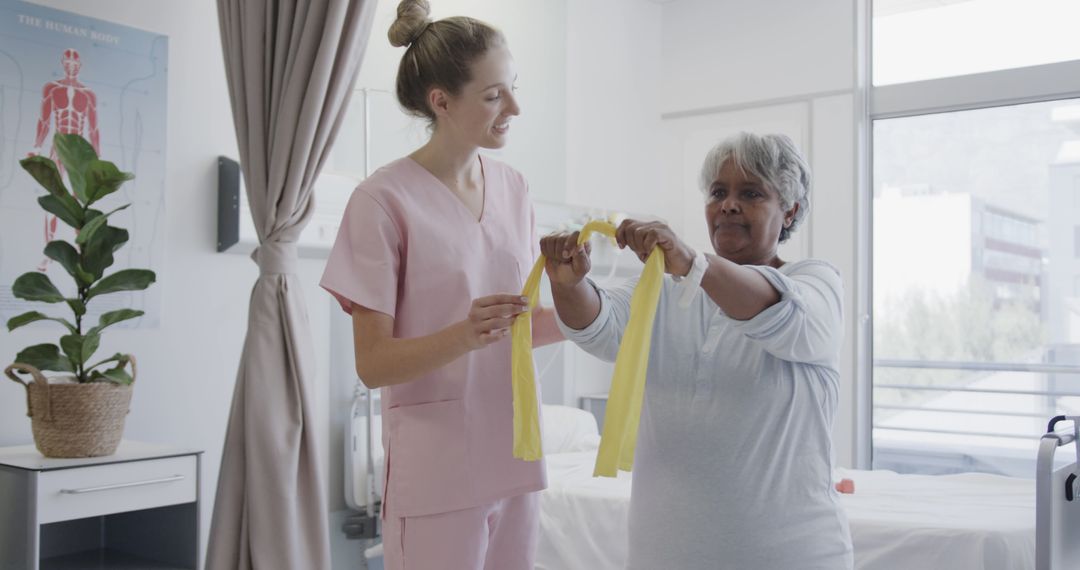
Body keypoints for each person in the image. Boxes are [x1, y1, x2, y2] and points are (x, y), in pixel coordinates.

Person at [320, 2, 561, 569]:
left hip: (517, 454)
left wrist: (597, 310)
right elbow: (373, 364)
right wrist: (465, 334)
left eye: (514, 89)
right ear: (442, 101)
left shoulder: (514, 189)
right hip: (438, 471)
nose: (515, 108)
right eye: (495, 94)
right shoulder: (383, 202)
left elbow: (519, 329)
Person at [541, 132, 854, 569]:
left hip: (787, 555)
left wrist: (692, 263)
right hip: (663, 553)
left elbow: (776, 311)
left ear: (790, 211)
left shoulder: (816, 284)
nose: (728, 204)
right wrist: (566, 283)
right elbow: (597, 326)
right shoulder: (665, 292)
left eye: (751, 193)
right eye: (718, 192)